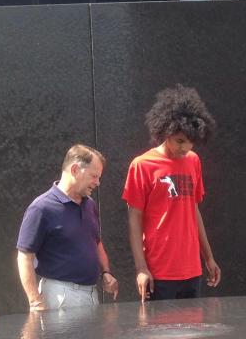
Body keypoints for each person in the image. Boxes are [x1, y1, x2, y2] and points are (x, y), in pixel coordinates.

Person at [122, 85, 221, 300]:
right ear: (165, 131)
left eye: (191, 142)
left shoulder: (193, 161)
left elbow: (193, 210)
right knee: (160, 334)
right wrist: (141, 268)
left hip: (192, 271)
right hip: (159, 273)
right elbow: (134, 219)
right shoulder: (142, 165)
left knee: (193, 334)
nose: (185, 148)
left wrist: (209, 257)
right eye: (180, 141)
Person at [17, 144, 119, 311]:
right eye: (94, 176)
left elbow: (96, 242)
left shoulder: (90, 205)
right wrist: (34, 300)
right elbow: (24, 257)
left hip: (91, 295)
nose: (98, 182)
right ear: (74, 170)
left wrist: (106, 272)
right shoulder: (41, 208)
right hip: (60, 297)